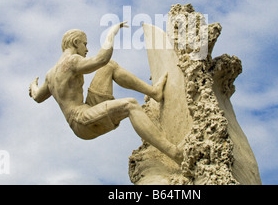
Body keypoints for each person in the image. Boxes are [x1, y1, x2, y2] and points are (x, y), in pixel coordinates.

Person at [29, 22, 182, 164]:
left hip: (87, 108)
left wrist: (33, 86)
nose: (86, 49)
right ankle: (174, 153)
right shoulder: (72, 61)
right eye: (85, 44)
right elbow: (101, 58)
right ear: (76, 43)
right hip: (81, 120)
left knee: (110, 66)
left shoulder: (49, 75)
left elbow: (37, 96)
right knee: (130, 105)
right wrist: (112, 32)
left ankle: (154, 92)